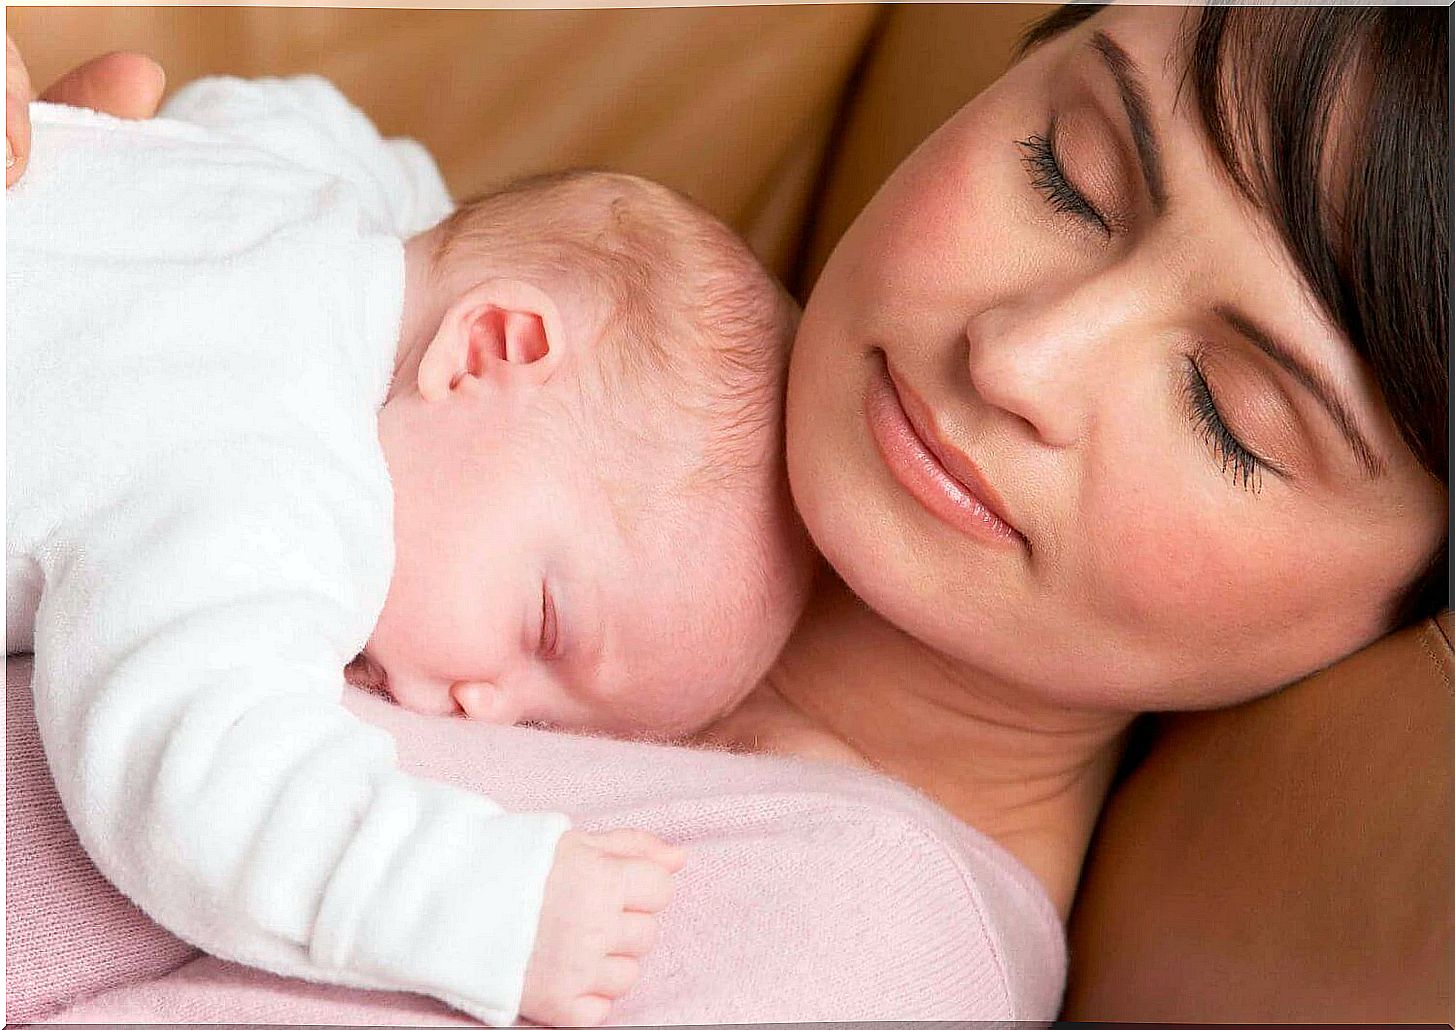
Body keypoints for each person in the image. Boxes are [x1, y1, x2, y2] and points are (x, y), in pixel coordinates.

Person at [7, 3, 1447, 1023]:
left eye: (1228, 412)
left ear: (1401, 611)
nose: (1018, 354)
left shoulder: (861, 953)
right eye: (1067, 171)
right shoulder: (508, 300)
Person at [6, 75, 810, 1027]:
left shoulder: (312, 186)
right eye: (543, 628)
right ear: (485, 351)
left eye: (540, 732)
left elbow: (293, 108)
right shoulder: (277, 480)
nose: (484, 712)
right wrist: (483, 904)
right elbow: (199, 785)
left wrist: (442, 221)